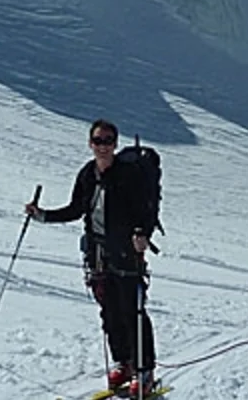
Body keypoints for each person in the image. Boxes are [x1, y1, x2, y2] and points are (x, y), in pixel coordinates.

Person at [25, 120, 158, 395]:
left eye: (108, 141)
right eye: (98, 141)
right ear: (90, 143)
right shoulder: (88, 173)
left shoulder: (129, 174)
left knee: (132, 311)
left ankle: (144, 371)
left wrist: (142, 234)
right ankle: (124, 362)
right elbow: (76, 209)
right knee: (109, 311)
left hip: (126, 251)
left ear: (115, 144)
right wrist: (43, 215)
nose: (103, 146)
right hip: (97, 252)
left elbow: (146, 211)